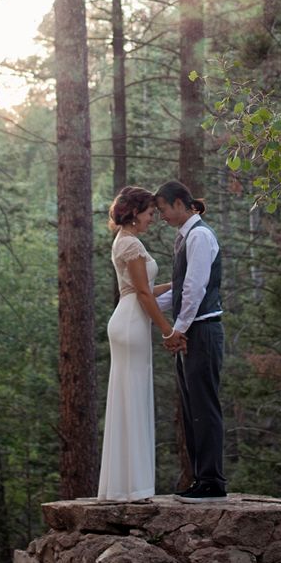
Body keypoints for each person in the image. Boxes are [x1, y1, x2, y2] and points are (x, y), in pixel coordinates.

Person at [97, 185, 178, 500]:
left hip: (130, 319)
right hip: (131, 322)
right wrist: (167, 330)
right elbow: (143, 293)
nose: (152, 219)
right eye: (148, 213)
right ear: (133, 214)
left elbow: (145, 289)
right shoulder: (130, 245)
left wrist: (179, 282)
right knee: (132, 396)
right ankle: (132, 486)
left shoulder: (127, 241)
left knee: (131, 396)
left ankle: (128, 483)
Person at [155, 180, 226, 499]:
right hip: (193, 329)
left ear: (181, 204)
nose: (162, 215)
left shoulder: (199, 236)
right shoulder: (185, 238)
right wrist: (144, 305)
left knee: (204, 405)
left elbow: (195, 289)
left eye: (164, 209)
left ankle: (212, 481)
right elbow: (181, 287)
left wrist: (177, 330)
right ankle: (201, 478)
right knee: (191, 407)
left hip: (203, 330)